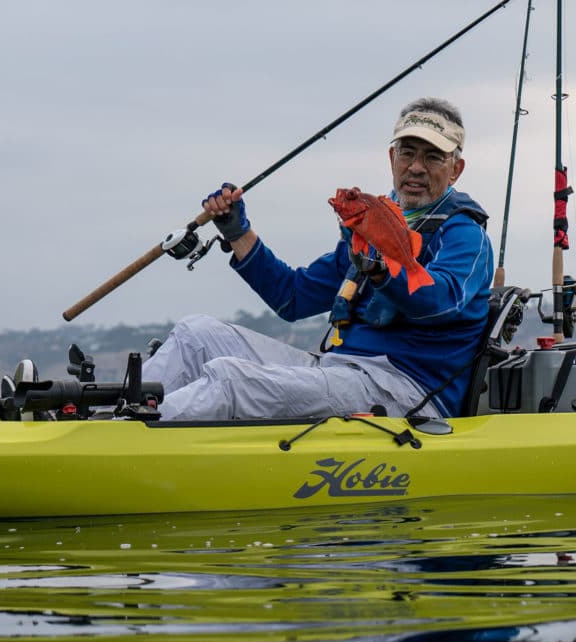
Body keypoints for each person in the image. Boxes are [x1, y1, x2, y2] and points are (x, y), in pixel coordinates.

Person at [142, 97, 494, 421]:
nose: (416, 167)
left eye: (433, 157)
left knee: (234, 382)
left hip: (407, 391)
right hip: (338, 369)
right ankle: (114, 420)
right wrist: (237, 233)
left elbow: (442, 302)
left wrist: (380, 270)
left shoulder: (465, 234)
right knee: (196, 334)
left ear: (455, 169)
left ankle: (132, 435)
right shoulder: (376, 223)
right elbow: (293, 297)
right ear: (392, 159)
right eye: (407, 153)